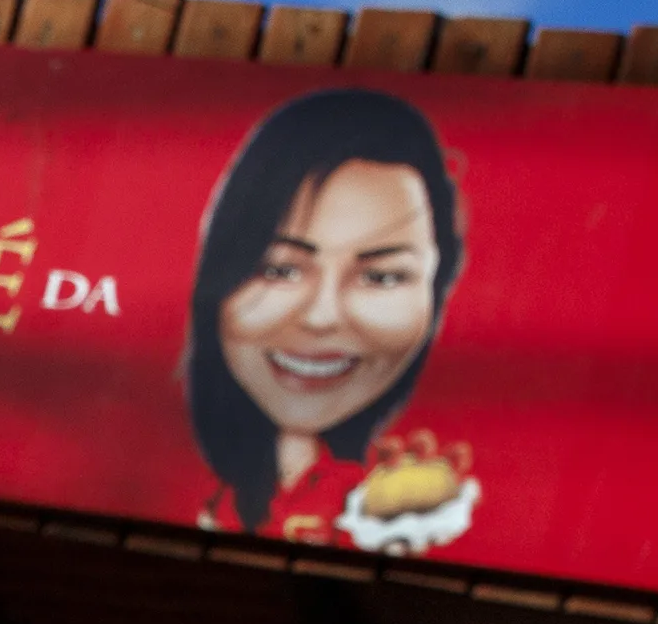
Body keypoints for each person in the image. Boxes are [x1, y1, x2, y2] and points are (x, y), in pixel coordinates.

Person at [185, 89, 479, 555]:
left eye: (381, 277)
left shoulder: (415, 506)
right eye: (279, 269)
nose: (322, 317)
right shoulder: (154, 477)